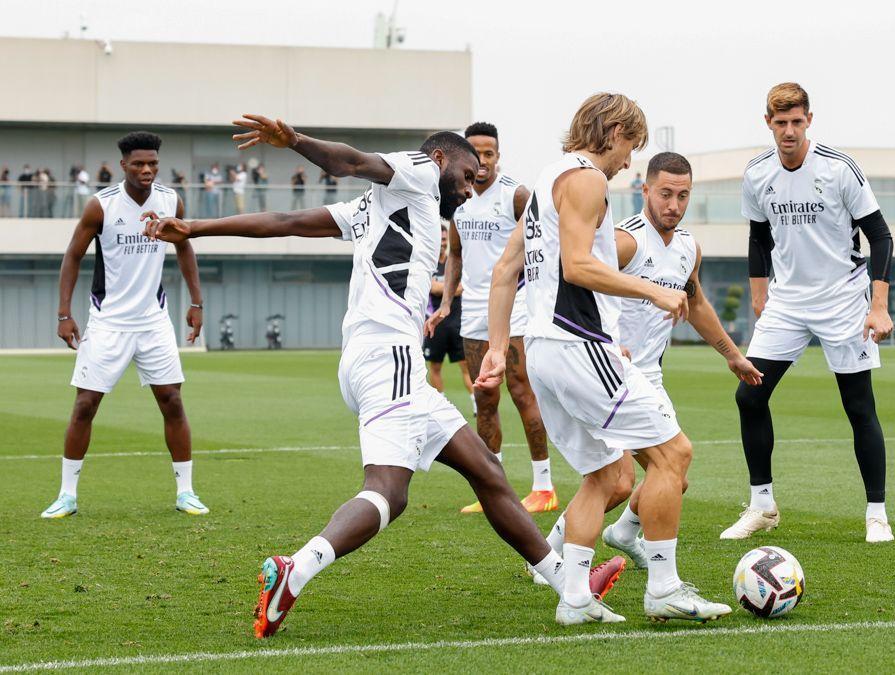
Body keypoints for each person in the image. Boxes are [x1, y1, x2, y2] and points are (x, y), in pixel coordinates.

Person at [142, 114, 623, 638]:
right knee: (389, 493)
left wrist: (195, 228)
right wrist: (296, 141)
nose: (468, 188)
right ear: (438, 159)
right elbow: (351, 161)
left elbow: (286, 222)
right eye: (464, 174)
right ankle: (294, 569)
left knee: (485, 469)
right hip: (389, 356)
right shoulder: (417, 171)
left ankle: (568, 586)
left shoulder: (372, 208)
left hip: (379, 361)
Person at [480, 93, 730, 624]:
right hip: (577, 344)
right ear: (613, 131)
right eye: (630, 147)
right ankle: (663, 587)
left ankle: (573, 598)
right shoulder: (587, 179)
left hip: (546, 350)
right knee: (674, 455)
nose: (627, 163)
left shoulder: (547, 180)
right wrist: (654, 291)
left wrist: (499, 350)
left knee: (610, 476)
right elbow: (576, 266)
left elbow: (505, 272)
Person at [534, 151, 763, 571]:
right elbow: (583, 281)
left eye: (682, 195)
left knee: (673, 476)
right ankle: (548, 557)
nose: (673, 204)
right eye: (664, 194)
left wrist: (733, 356)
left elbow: (695, 303)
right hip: (604, 371)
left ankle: (621, 534)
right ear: (645, 191)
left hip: (649, 378)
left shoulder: (688, 248)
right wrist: (607, 339)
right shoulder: (625, 241)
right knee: (619, 481)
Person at [725, 82, 895, 543]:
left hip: (843, 297)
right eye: (780, 123)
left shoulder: (839, 168)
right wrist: (759, 296)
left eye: (796, 122)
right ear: (768, 123)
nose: (789, 131)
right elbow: (758, 238)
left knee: (858, 405)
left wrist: (877, 306)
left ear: (809, 120)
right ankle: (762, 506)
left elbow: (881, 237)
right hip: (787, 301)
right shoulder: (757, 173)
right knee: (750, 397)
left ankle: (876, 513)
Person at [40, 131, 206, 520]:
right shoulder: (101, 205)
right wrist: (64, 313)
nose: (147, 170)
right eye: (139, 164)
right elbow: (73, 255)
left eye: (152, 164)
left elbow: (184, 247)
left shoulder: (171, 201)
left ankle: (186, 492)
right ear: (123, 166)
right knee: (85, 405)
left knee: (173, 402)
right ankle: (67, 495)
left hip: (153, 321)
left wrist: (196, 301)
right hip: (108, 322)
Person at [428, 121, 557, 515]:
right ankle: (494, 488)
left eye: (489, 153)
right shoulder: (458, 200)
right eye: (476, 153)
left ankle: (544, 486)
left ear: (498, 156)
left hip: (514, 308)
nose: (482, 161)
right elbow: (456, 257)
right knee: (483, 397)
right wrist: (447, 302)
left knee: (521, 392)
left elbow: (544, 247)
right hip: (472, 315)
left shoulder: (516, 196)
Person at [425, 225, 472, 396]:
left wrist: (442, 287)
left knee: (466, 365)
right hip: (435, 324)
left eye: (445, 239)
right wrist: (452, 286)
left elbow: (463, 286)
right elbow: (431, 288)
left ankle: (476, 405)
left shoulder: (456, 262)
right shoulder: (428, 262)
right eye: (440, 239)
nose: (442, 243)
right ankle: (441, 402)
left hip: (457, 321)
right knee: (435, 366)